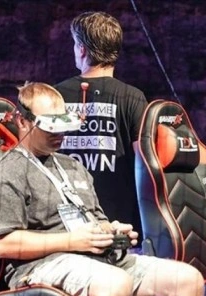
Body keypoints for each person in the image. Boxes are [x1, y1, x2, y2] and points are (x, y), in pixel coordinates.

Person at [0, 82, 203, 296]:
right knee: (115, 284)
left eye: (63, 125)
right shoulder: (6, 173)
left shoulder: (72, 166)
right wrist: (73, 241)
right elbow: (3, 243)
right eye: (49, 127)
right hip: (40, 264)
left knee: (189, 281)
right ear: (23, 121)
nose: (59, 134)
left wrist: (111, 231)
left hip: (93, 256)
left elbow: (94, 219)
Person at [55, 11, 147, 238]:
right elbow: (146, 163)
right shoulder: (133, 97)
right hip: (120, 224)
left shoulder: (55, 95)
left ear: (82, 49)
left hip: (64, 226)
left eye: (75, 44)